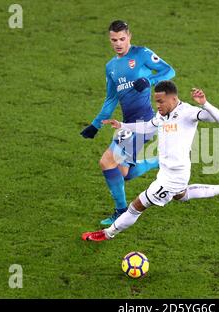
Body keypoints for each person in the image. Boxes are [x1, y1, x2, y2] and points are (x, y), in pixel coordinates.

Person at [81, 80, 219, 241]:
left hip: (173, 176)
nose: (158, 106)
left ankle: (107, 233)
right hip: (167, 171)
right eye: (156, 101)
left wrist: (204, 103)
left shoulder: (188, 112)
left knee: (136, 207)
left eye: (161, 101)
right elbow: (148, 126)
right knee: (182, 195)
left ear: (173, 99)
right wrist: (122, 125)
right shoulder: (162, 114)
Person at [80, 20, 175, 225]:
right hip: (128, 123)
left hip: (143, 122)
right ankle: (159, 160)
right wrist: (95, 125)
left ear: (129, 36)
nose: (118, 43)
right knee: (123, 173)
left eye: (122, 39)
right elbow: (111, 99)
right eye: (114, 40)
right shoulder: (111, 67)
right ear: (110, 40)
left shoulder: (141, 54)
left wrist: (149, 81)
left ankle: (121, 212)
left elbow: (169, 71)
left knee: (106, 162)